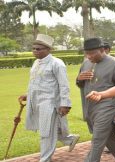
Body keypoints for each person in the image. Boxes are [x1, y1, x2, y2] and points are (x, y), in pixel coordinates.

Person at [18, 34, 80, 162]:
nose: (35, 51)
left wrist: (65, 104)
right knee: (52, 129)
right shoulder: (36, 63)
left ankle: (45, 159)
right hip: (36, 103)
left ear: (48, 49)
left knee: (46, 132)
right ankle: (70, 139)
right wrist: (28, 94)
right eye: (34, 48)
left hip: (50, 103)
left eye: (39, 49)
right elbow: (36, 83)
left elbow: (64, 85)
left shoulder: (57, 64)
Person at [76, 37, 115, 162]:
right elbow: (80, 85)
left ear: (102, 50)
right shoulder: (86, 63)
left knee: (97, 139)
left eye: (92, 53)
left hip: (107, 106)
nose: (89, 56)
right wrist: (79, 79)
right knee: (110, 139)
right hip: (90, 107)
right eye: (87, 53)